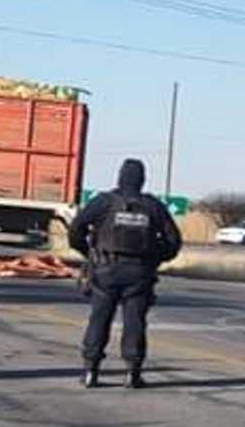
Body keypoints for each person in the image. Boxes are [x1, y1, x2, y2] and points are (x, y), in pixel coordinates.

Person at [70, 158, 181, 390]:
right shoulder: (153, 206)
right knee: (135, 322)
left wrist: (89, 253)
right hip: (139, 273)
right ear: (142, 180)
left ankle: (91, 371)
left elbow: (76, 229)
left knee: (99, 319)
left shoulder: (103, 202)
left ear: (119, 177)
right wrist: (154, 259)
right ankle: (132, 372)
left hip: (106, 269)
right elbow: (173, 242)